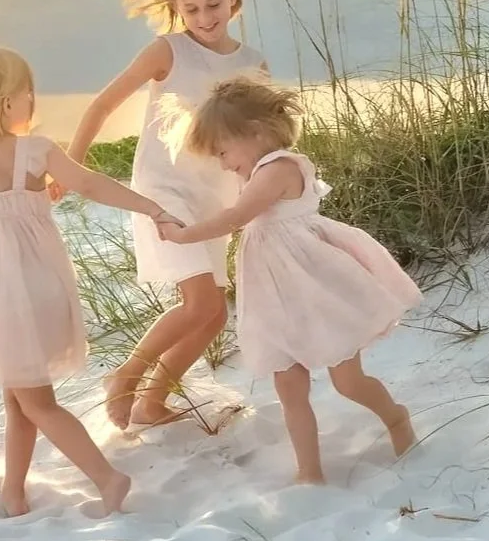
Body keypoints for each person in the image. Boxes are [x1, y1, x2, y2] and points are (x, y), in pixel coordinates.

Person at [0, 46, 182, 516]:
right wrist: (151, 207)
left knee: (36, 401)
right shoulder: (36, 152)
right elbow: (90, 185)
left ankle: (108, 478)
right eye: (28, 92)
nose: (33, 101)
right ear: (6, 101)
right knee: (20, 397)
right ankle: (14, 492)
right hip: (39, 283)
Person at [156, 75, 419, 484]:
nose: (224, 164)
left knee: (348, 381)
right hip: (275, 297)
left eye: (224, 151)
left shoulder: (278, 169)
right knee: (289, 388)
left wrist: (184, 235)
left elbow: (237, 216)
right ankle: (309, 471)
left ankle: (396, 417)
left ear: (255, 132)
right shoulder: (256, 172)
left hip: (313, 290)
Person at [56, 0, 266, 428]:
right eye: (190, 8)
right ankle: (125, 378)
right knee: (203, 303)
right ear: (177, 8)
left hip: (217, 199)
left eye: (213, 4)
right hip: (163, 193)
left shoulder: (254, 63)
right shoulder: (167, 50)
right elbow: (101, 106)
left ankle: (151, 403)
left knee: (212, 317)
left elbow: (262, 138)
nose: (204, 17)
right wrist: (72, 165)